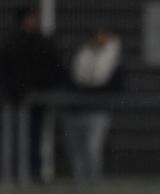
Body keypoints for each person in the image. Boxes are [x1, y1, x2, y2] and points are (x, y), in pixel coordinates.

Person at [0, 6, 65, 181]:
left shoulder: (42, 42)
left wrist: (43, 90)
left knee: (35, 138)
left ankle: (33, 173)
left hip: (36, 101)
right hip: (14, 101)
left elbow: (54, 68)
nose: (34, 21)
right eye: (30, 18)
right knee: (14, 138)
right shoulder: (12, 42)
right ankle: (13, 173)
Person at [63, 27, 124, 180]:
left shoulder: (114, 58)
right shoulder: (82, 54)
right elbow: (70, 78)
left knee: (92, 149)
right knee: (76, 150)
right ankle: (79, 184)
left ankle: (93, 183)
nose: (99, 38)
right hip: (76, 110)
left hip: (98, 111)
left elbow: (116, 85)